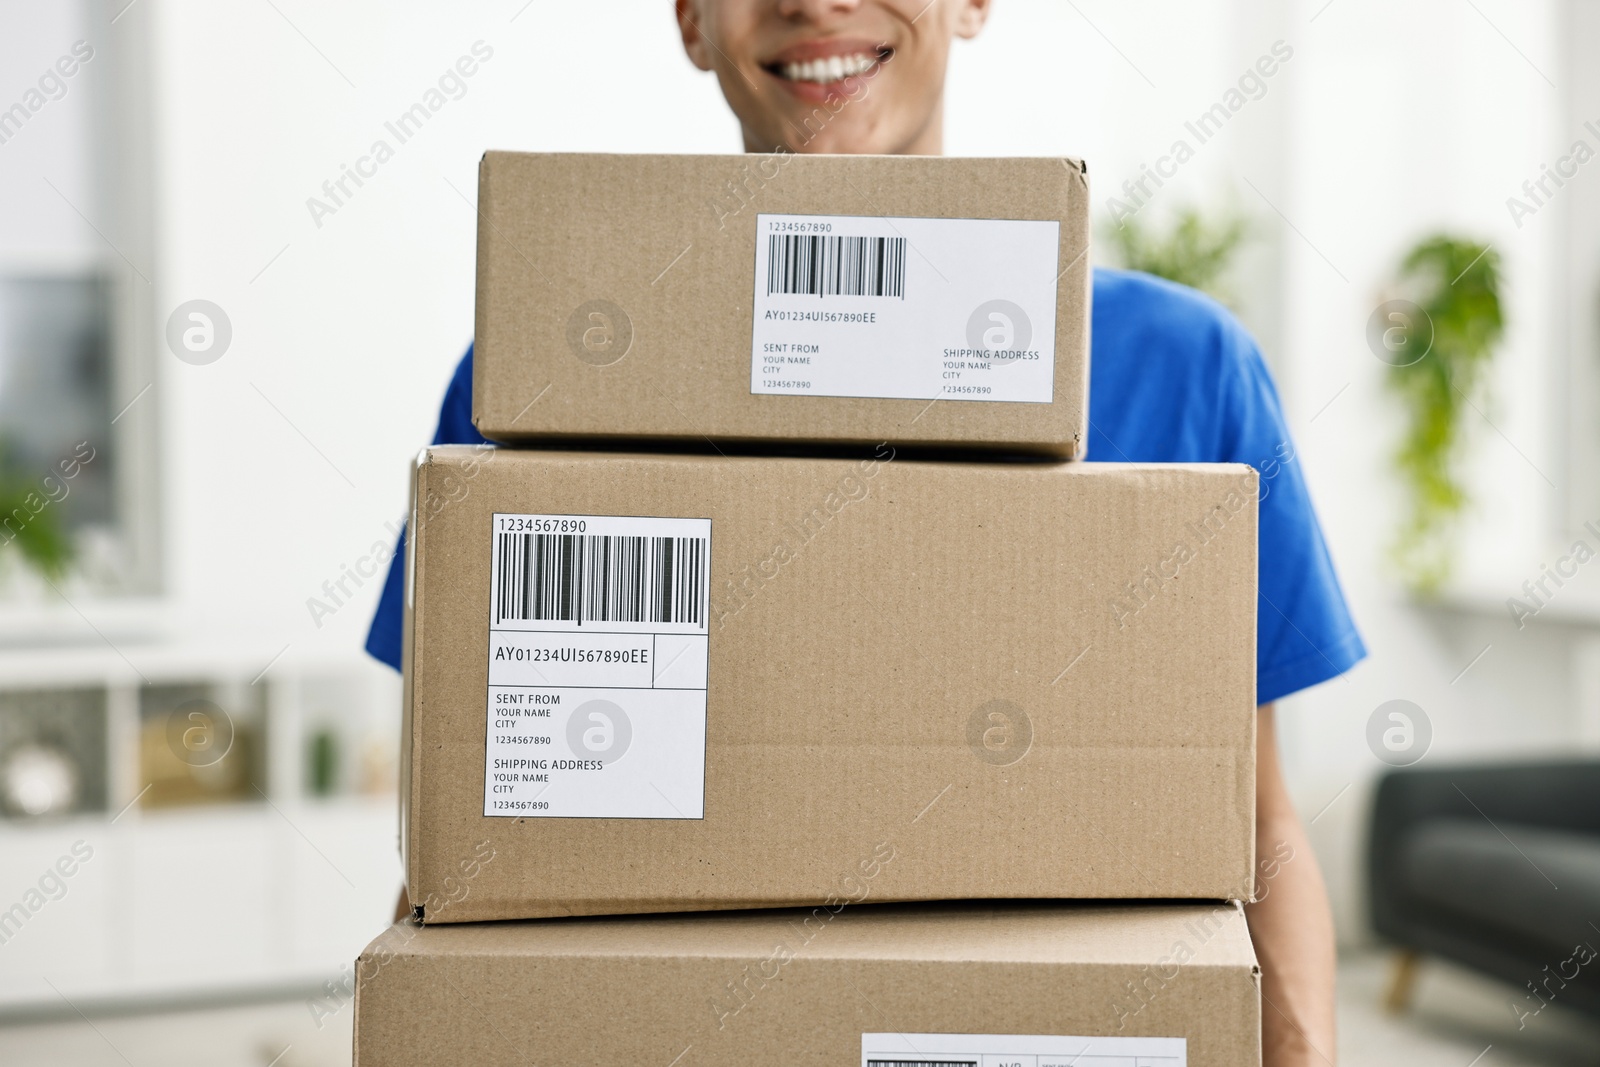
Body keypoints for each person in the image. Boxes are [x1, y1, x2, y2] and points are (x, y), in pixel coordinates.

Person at [365, 3, 1365, 1064]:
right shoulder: (537, 377)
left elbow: (1257, 821)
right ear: (691, 20)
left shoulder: (1186, 369)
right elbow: (468, 845)